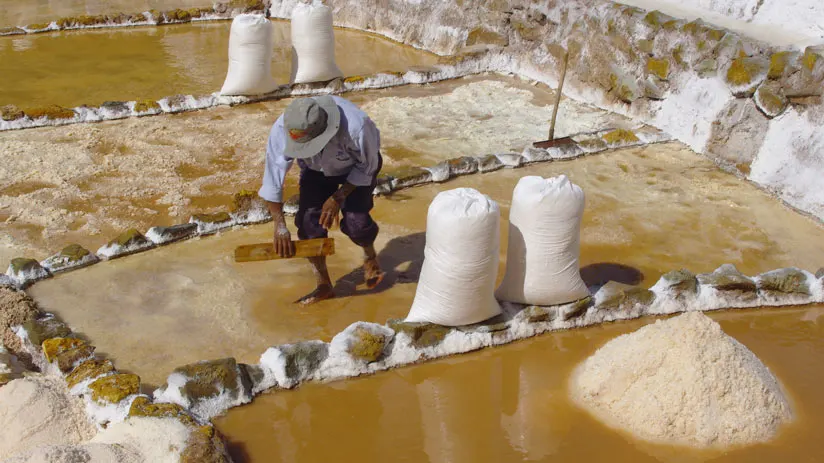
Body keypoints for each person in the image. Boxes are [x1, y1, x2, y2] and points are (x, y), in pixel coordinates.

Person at [258, 95, 385, 305]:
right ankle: (323, 284)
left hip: (356, 168)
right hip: (315, 169)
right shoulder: (283, 128)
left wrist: (338, 197)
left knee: (357, 225)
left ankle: (370, 256)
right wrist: (279, 225)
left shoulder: (356, 126)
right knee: (309, 227)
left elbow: (368, 166)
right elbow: (273, 178)